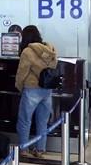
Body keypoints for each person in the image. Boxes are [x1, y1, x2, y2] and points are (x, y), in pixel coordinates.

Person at [15, 26, 58, 158]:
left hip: (31, 88)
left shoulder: (28, 51)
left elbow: (22, 72)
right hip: (47, 90)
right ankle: (40, 149)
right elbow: (53, 67)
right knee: (42, 121)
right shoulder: (51, 49)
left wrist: (18, 86)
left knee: (25, 120)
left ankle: (23, 149)